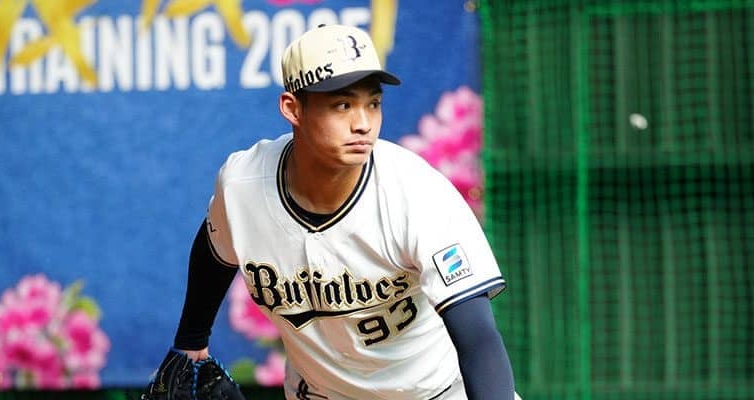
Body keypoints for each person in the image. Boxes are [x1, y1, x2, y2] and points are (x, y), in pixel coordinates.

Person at [147, 24, 520, 400]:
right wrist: (191, 340)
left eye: (373, 104)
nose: (363, 124)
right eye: (343, 105)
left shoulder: (417, 194)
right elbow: (214, 249)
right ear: (292, 108)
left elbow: (478, 340)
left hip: (438, 392)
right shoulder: (244, 184)